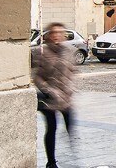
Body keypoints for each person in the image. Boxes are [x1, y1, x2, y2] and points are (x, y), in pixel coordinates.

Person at [31, 22, 76, 168]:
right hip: (49, 99)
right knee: (52, 128)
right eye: (54, 32)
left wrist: (71, 87)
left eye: (60, 32)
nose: (57, 35)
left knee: (70, 124)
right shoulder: (41, 52)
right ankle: (51, 162)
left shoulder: (69, 51)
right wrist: (47, 89)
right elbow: (37, 77)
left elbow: (72, 71)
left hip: (65, 97)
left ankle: (72, 151)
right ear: (49, 35)